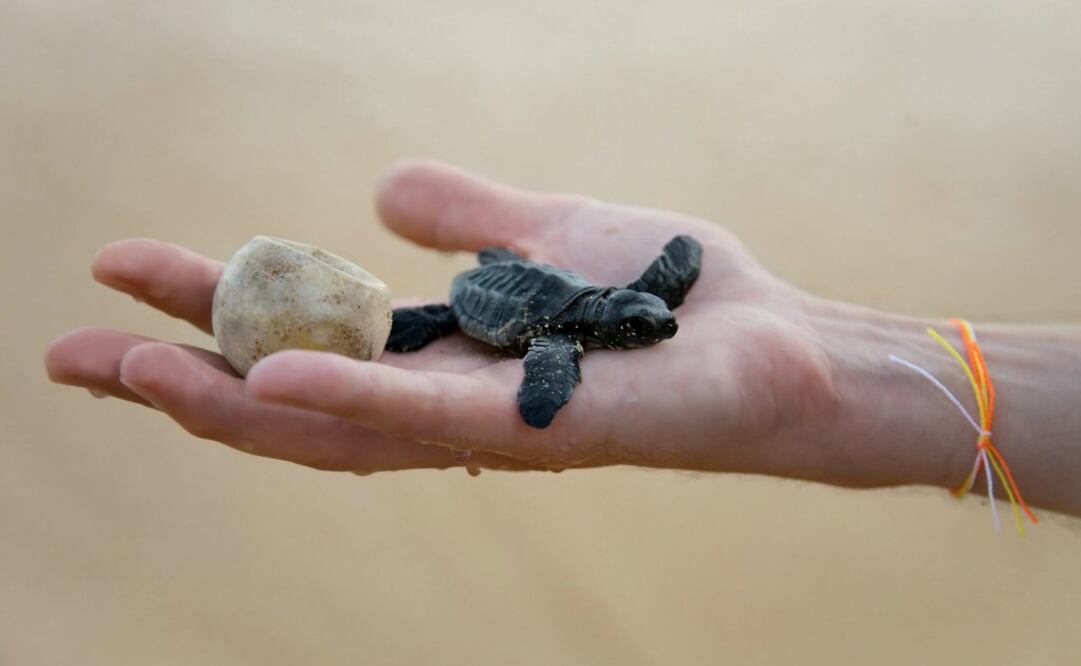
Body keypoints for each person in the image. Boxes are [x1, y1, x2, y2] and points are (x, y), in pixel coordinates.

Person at [45, 159, 1081, 517]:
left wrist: (804, 355)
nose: (656, 321)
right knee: (446, 322)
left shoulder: (610, 313)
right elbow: (551, 362)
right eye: (645, 322)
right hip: (486, 302)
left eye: (652, 319)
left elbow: (656, 288)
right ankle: (421, 323)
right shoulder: (554, 342)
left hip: (534, 289)